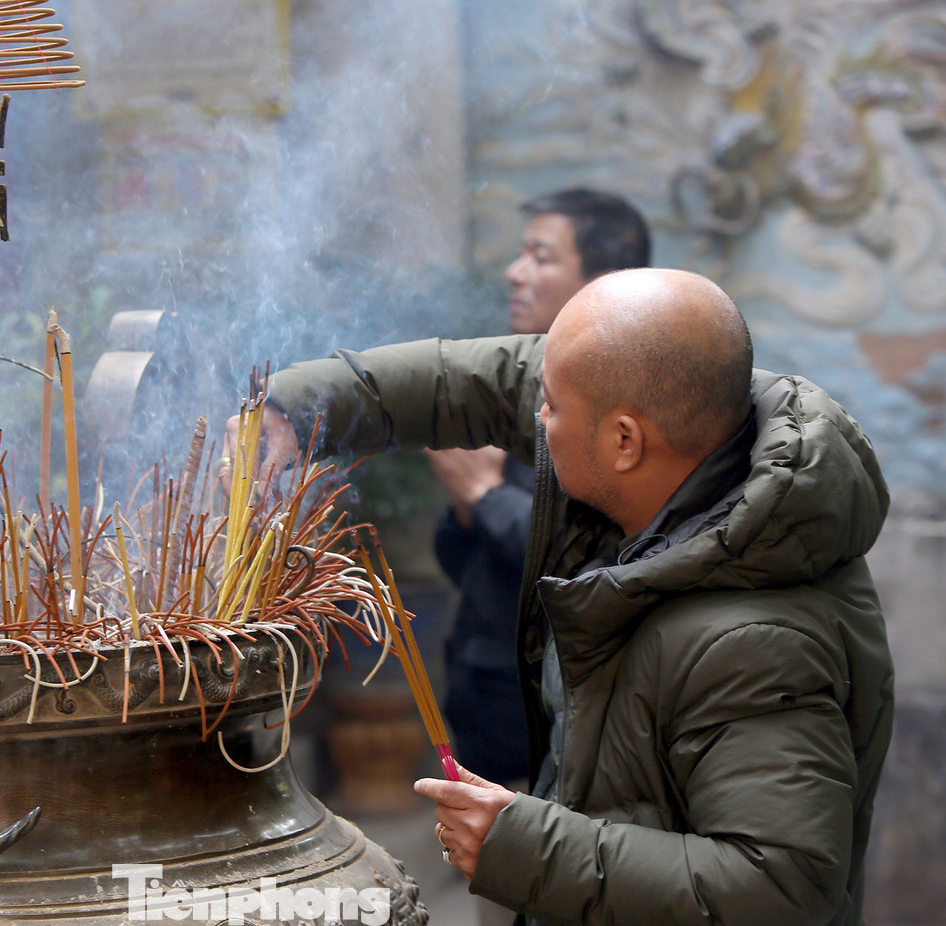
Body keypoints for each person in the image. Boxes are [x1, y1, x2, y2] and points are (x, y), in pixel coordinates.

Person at [224, 268, 893, 924]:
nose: (532, 418)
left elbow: (780, 887)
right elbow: (487, 379)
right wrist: (298, 409)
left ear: (624, 441)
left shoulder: (755, 643)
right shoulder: (682, 438)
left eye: (550, 405)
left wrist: (526, 848)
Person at [426, 189, 649, 786]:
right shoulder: (521, 389)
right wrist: (466, 504)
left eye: (541, 257)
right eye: (520, 253)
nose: (514, 273)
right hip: (487, 695)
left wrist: (487, 497)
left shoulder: (622, 398)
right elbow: (465, 568)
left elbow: (598, 560)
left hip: (562, 714)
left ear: (602, 280)